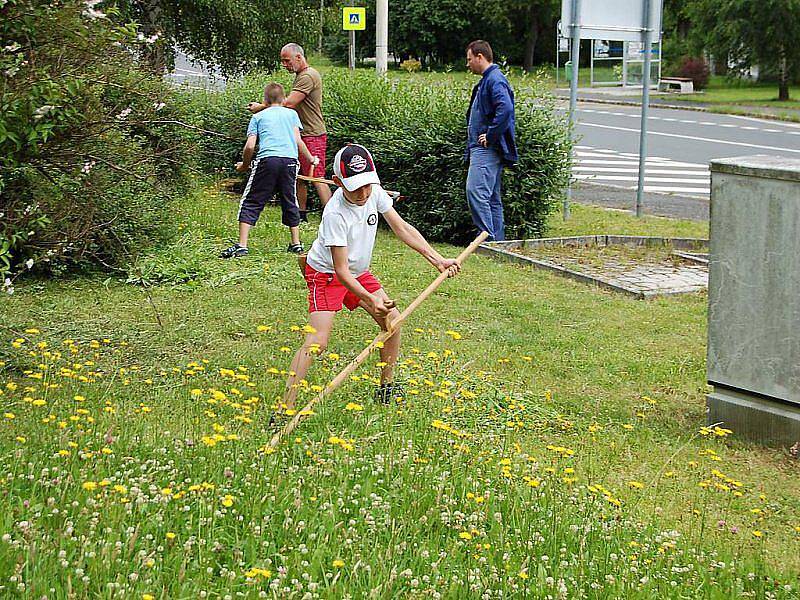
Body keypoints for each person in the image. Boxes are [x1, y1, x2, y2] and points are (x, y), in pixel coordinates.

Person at [281, 144, 461, 409]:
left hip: (358, 272)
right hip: (327, 274)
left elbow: (402, 228)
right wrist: (369, 298)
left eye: (367, 184)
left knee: (393, 322)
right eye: (355, 187)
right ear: (337, 182)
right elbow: (341, 271)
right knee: (317, 341)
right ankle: (286, 407)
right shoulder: (335, 213)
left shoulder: (374, 192)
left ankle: (386, 388)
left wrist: (437, 259)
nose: (364, 193)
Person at [220, 83, 320, 258]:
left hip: (267, 161)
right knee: (290, 199)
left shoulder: (258, 117)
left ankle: (242, 245)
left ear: (265, 100)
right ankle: (296, 244)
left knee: (252, 199)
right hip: (290, 161)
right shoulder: (292, 114)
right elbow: (298, 141)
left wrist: (244, 165)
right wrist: (311, 159)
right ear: (284, 98)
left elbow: (250, 145)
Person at [248, 43, 331, 222]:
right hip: (303, 133)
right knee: (299, 176)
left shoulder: (308, 76)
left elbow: (288, 103)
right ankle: (301, 215)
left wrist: (260, 108)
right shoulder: (302, 75)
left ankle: (334, 217)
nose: (285, 65)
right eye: (283, 61)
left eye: (287, 61)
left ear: (299, 57)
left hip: (313, 134)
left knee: (317, 177)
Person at [464, 40, 518, 242]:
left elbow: (505, 109)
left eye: (470, 59)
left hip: (486, 149)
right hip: (483, 148)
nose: (468, 64)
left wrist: (491, 135)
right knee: (492, 198)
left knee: (475, 191)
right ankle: (497, 242)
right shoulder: (489, 80)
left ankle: (487, 239)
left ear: (480, 57)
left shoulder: (494, 80)